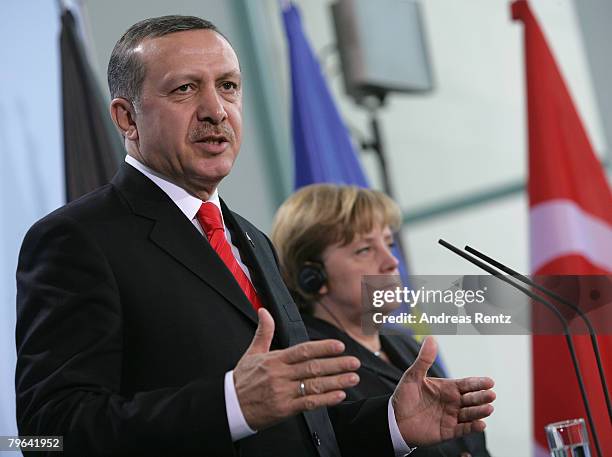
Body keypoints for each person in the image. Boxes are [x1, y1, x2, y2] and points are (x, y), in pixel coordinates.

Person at [15, 15, 495, 456]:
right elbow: (48, 434)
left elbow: (300, 431)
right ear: (126, 118)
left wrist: (393, 424)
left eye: (228, 86)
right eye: (184, 89)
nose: (215, 110)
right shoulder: (77, 239)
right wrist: (229, 404)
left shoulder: (252, 240)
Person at [271, 184, 492, 457]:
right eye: (364, 249)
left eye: (389, 244)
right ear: (312, 276)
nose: (391, 261)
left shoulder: (407, 346)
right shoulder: (308, 364)